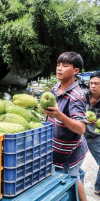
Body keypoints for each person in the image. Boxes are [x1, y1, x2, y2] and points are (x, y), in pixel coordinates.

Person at [42, 52, 88, 201]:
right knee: (75, 176)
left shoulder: (77, 96)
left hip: (70, 153)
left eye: (65, 65)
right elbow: (52, 113)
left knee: (70, 180)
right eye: (58, 65)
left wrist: (59, 116)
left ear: (76, 71)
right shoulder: (56, 88)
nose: (59, 68)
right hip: (61, 149)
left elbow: (81, 128)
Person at [84, 71, 100, 196]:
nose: (93, 86)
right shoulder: (83, 96)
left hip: (96, 137)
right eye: (91, 83)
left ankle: (98, 188)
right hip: (79, 135)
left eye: (97, 84)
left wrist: (97, 122)